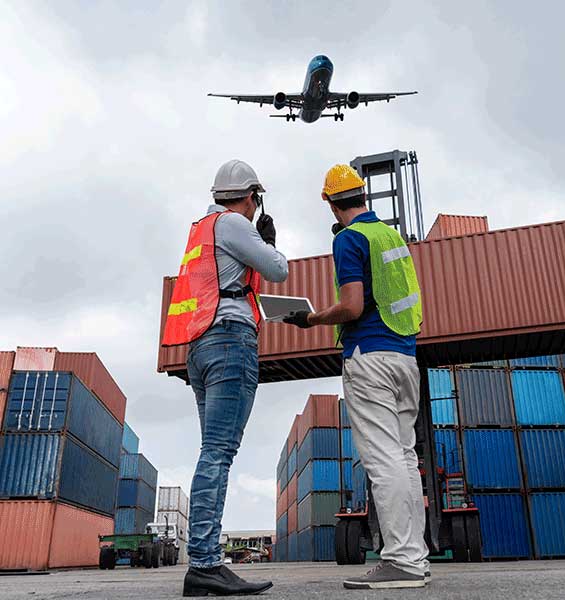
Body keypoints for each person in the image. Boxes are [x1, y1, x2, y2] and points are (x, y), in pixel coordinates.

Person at [284, 164, 430, 590]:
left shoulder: (349, 239)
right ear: (362, 195)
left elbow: (351, 305)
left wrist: (311, 319)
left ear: (330, 203)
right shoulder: (391, 237)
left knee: (383, 460)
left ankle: (401, 562)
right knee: (404, 458)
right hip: (405, 357)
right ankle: (416, 558)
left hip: (370, 356)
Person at [162, 159, 288, 597]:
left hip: (200, 345)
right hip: (231, 339)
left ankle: (204, 562)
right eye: (256, 201)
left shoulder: (201, 228)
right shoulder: (234, 224)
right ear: (251, 197)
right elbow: (278, 270)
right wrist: (269, 242)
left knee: (211, 451)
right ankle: (205, 563)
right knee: (218, 453)